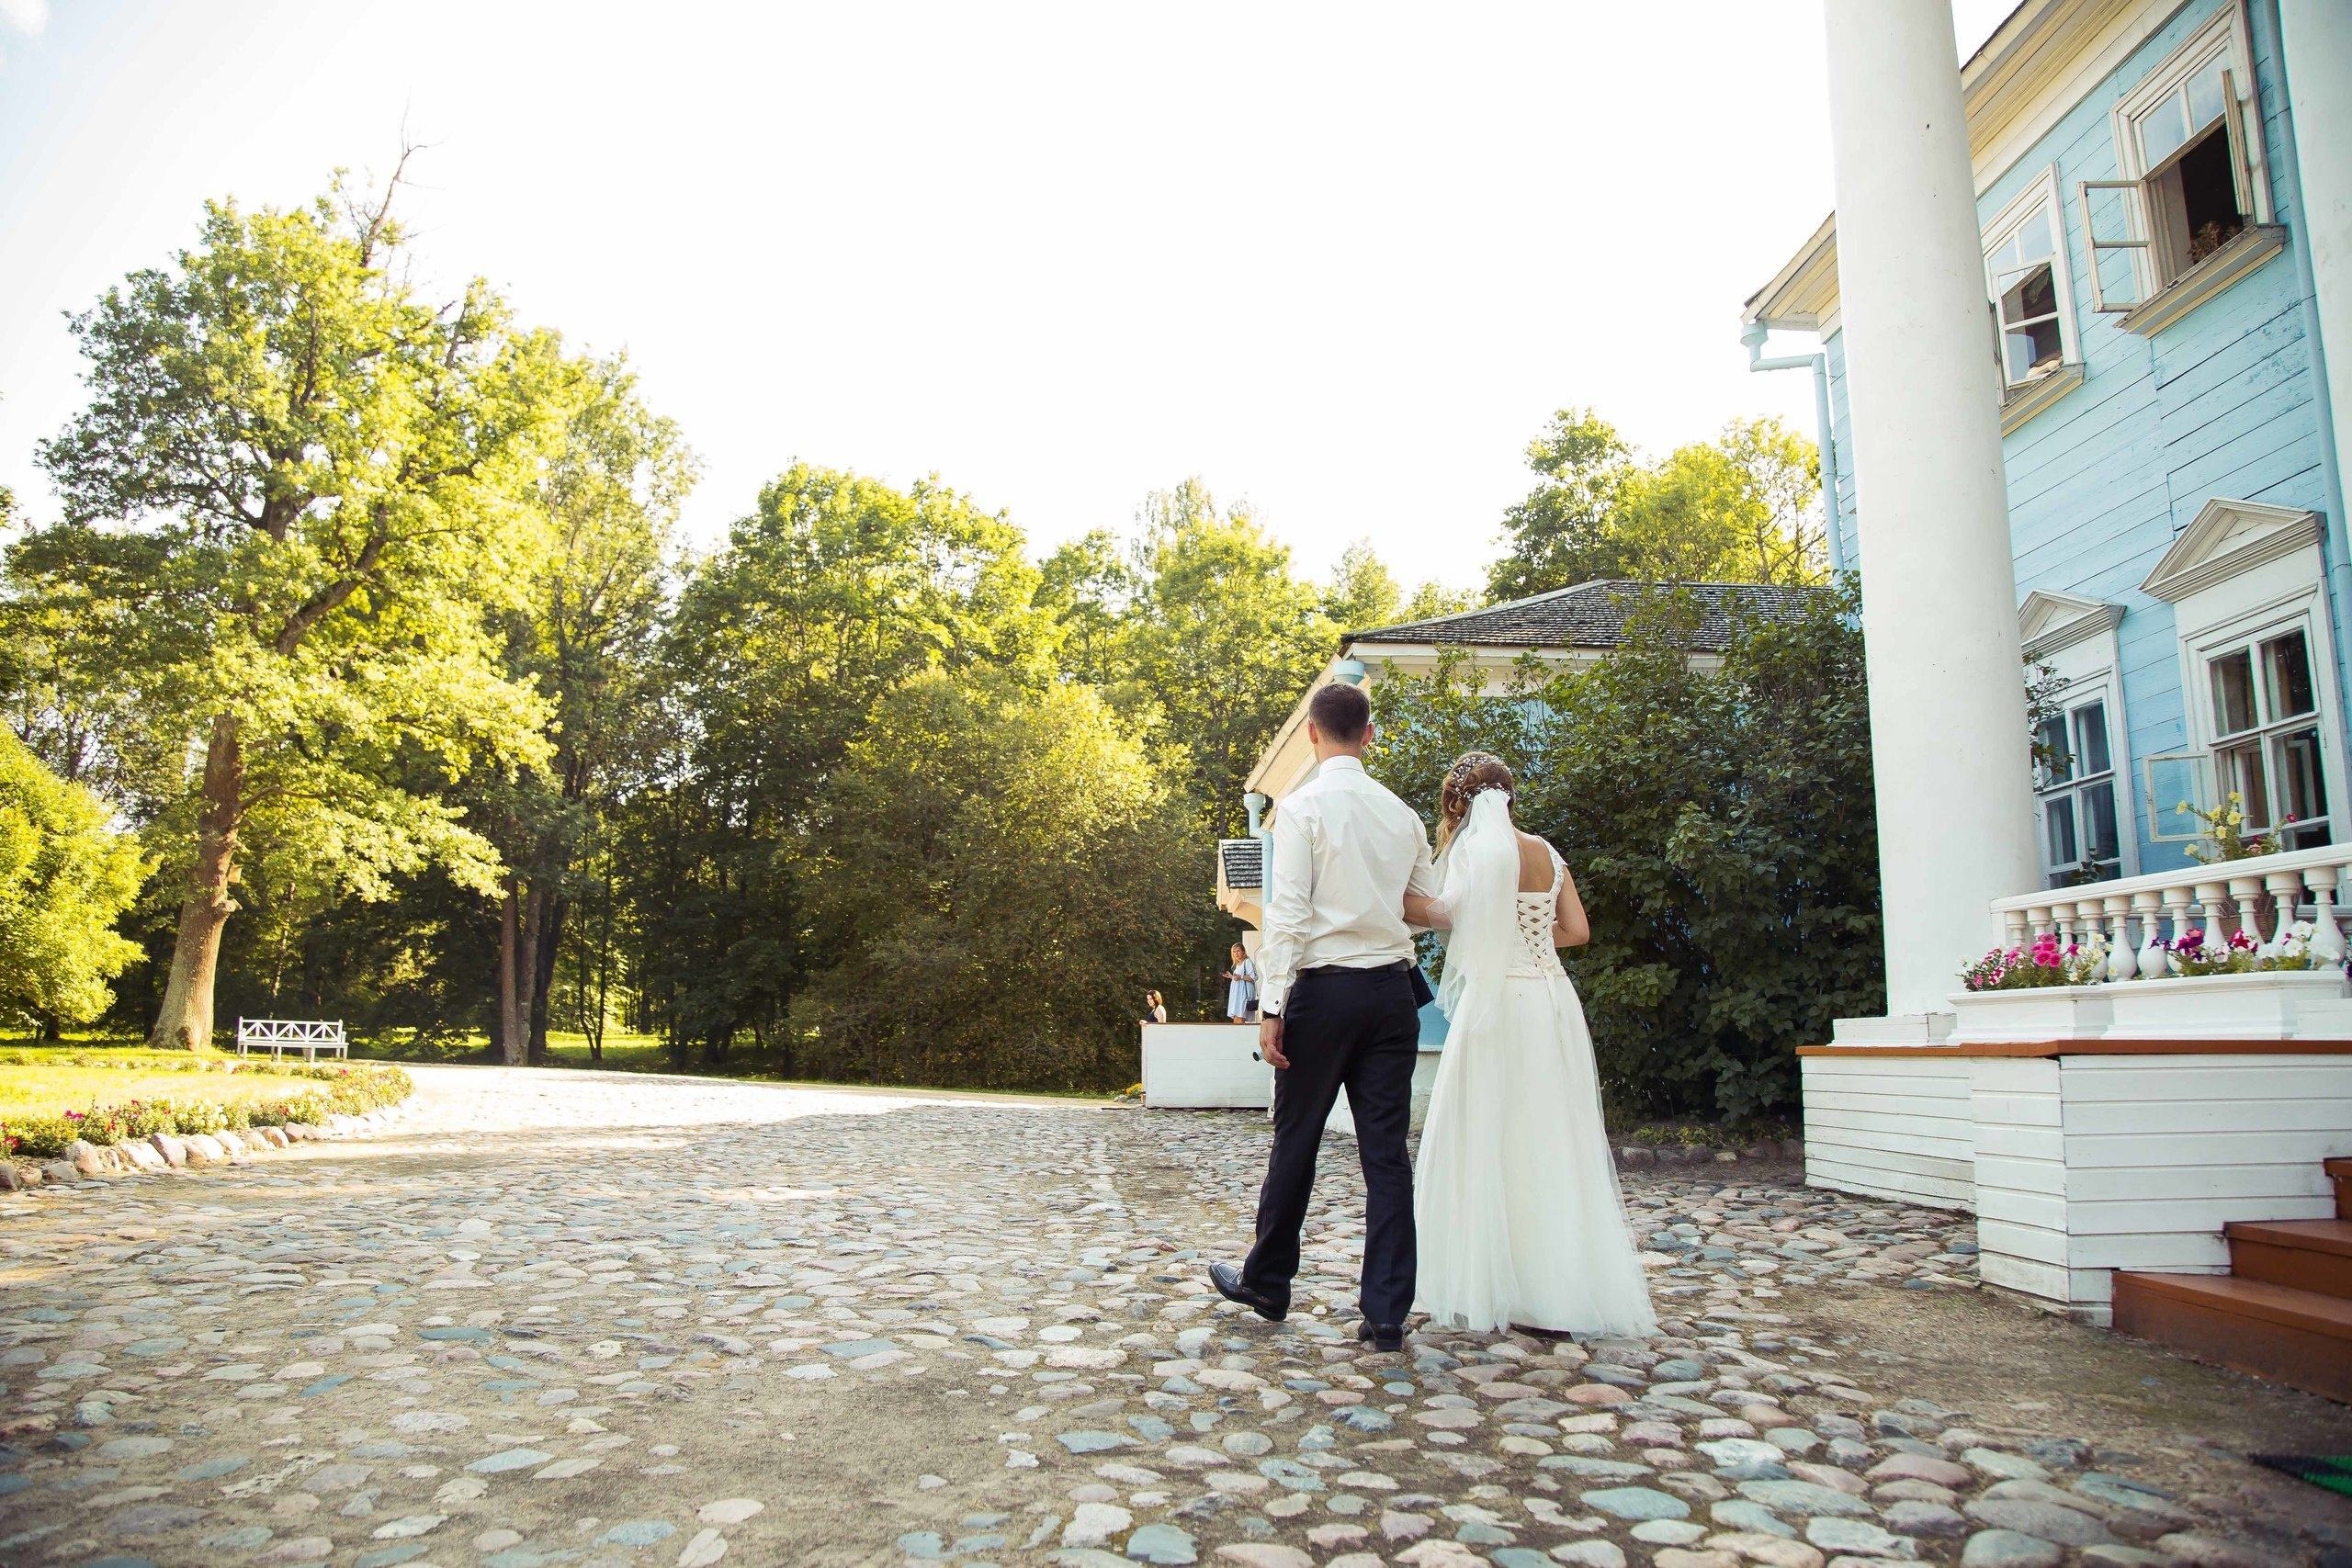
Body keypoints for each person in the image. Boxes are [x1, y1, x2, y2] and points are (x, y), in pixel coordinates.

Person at [1207, 681, 1436, 1354]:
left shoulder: (1300, 810)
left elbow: (1290, 915)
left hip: (1324, 993)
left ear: (1312, 734)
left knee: (1297, 1138)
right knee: (1387, 1156)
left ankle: (1269, 1282)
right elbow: (1427, 903)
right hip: (1393, 996)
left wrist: (1270, 1005)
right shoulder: (1403, 814)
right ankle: (1387, 1309)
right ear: (1369, 735)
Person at [1401, 752, 1657, 1337]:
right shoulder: (1545, 851)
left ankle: (1487, 1280)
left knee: (1490, 1131)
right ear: (1511, 798)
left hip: (1498, 1007)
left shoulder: (1473, 852)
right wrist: (1530, 945)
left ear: (1459, 804)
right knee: (1551, 1133)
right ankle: (1559, 1287)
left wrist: (1397, 901)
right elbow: (1578, 931)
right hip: (1551, 1001)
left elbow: (1443, 914)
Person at [1221, 943, 1259, 1023]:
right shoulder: (1239, 964)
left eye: (1238, 951)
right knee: (1236, 1016)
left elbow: (1254, 977)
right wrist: (1232, 977)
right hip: (1237, 994)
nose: (1236, 954)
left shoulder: (1247, 962)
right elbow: (1239, 977)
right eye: (1234, 952)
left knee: (1240, 1016)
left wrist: (1240, 977)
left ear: (1243, 951)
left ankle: (1240, 1034)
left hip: (1243, 994)